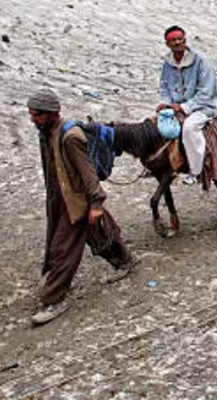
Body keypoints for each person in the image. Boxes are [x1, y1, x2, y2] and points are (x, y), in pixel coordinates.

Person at [27, 88, 136, 326]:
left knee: (62, 250)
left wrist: (96, 203)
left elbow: (87, 174)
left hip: (77, 200)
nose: (32, 119)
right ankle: (124, 260)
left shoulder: (71, 138)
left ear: (51, 113)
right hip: (62, 198)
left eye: (36, 114)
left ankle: (54, 299)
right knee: (99, 233)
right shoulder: (46, 134)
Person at [157, 26, 217, 182]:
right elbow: (164, 86)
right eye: (173, 40)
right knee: (154, 126)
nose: (178, 42)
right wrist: (165, 104)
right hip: (176, 106)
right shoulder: (168, 63)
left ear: (185, 40)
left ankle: (196, 171)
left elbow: (206, 92)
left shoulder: (201, 61)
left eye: (180, 39)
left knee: (190, 128)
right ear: (167, 44)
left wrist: (185, 107)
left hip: (203, 106)